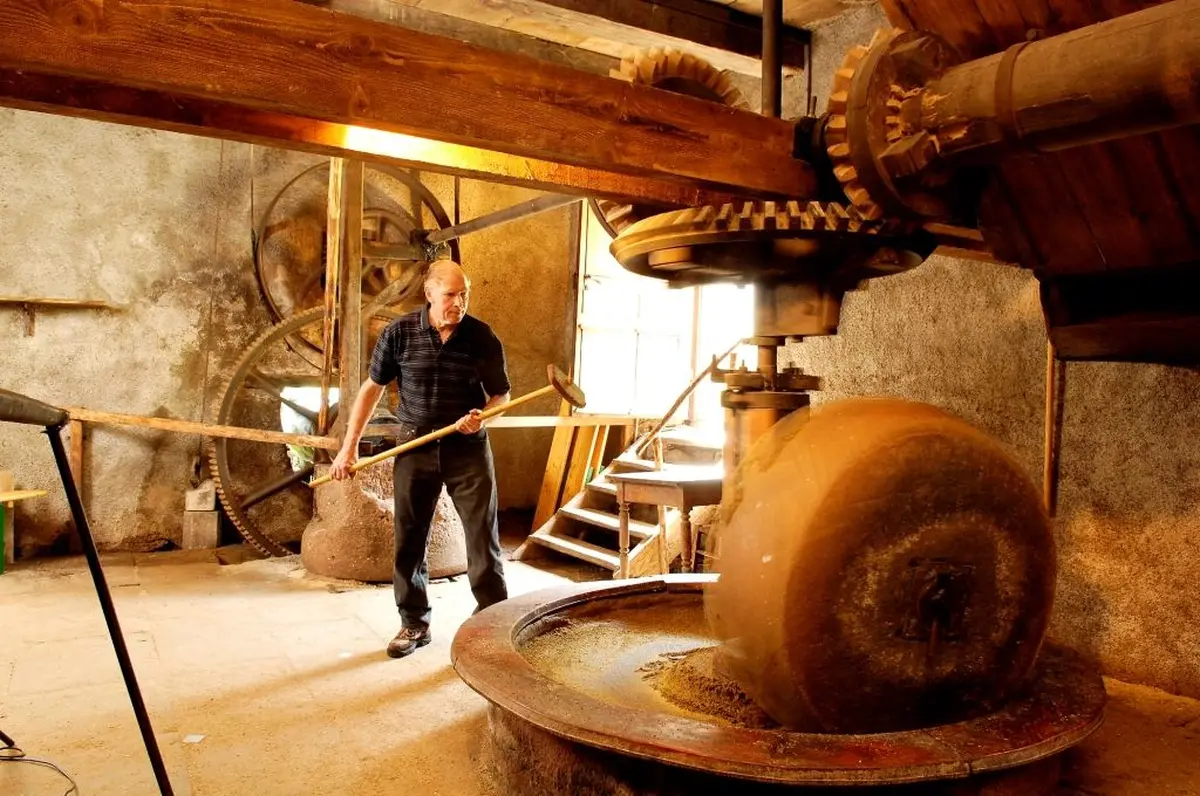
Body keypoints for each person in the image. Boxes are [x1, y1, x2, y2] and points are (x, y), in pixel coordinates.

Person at [330, 260, 510, 659]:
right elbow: (372, 389)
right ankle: (414, 624)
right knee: (409, 539)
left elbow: (502, 397)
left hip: (468, 449)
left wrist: (484, 415)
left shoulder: (482, 337)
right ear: (429, 293)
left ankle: (492, 622)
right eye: (450, 295)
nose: (458, 302)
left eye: (465, 293)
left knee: (483, 538)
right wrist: (349, 446)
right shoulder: (399, 333)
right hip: (414, 445)